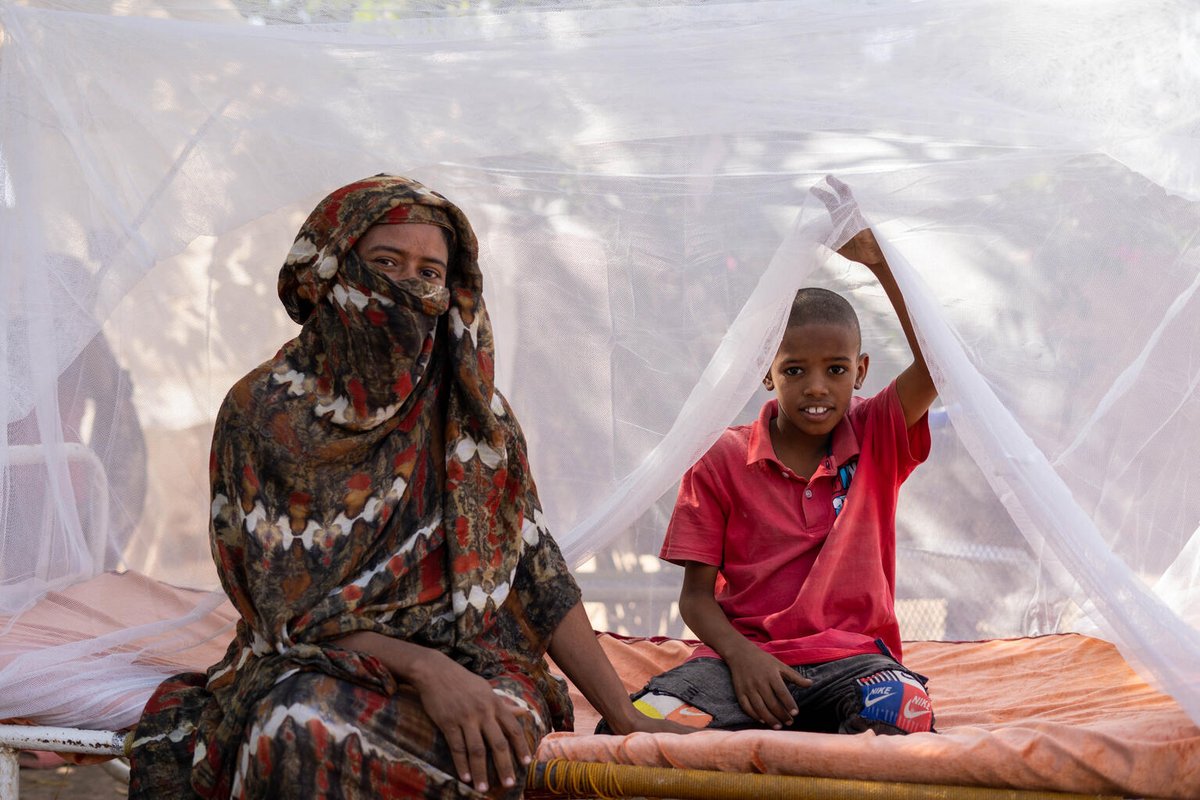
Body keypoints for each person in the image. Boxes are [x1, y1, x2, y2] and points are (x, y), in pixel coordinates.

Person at [129, 175, 686, 800]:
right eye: (385, 263)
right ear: (333, 267)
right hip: (315, 664)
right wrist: (424, 668)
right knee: (295, 726)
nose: (407, 287)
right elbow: (282, 610)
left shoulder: (473, 413)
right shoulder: (262, 412)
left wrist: (623, 712)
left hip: (482, 668)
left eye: (429, 272)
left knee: (490, 741)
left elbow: (535, 572)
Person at [612, 177, 939, 736]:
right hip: (741, 663)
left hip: (852, 660)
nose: (817, 387)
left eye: (836, 370)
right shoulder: (719, 457)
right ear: (766, 371)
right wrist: (743, 658)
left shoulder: (876, 432)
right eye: (794, 370)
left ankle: (802, 726)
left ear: (860, 372)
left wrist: (880, 264)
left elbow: (941, 362)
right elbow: (695, 599)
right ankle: (767, 719)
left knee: (901, 709)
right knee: (649, 720)